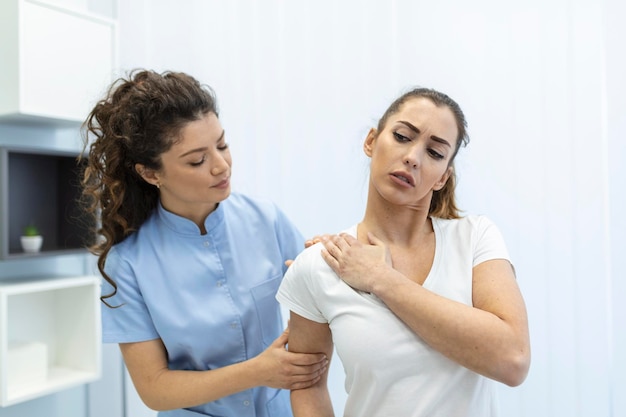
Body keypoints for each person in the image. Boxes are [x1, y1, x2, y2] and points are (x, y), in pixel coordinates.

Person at [79, 69, 328, 417]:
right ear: (151, 174)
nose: (221, 165)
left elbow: (319, 294)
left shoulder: (266, 219)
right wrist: (259, 371)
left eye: (222, 145)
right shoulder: (129, 265)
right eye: (198, 160)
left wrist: (331, 260)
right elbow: (154, 389)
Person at [276, 87, 531, 416]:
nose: (413, 156)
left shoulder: (475, 239)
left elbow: (513, 360)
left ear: (442, 178)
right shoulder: (320, 265)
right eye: (401, 136)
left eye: (435, 153)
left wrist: (382, 279)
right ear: (371, 141)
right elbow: (308, 383)